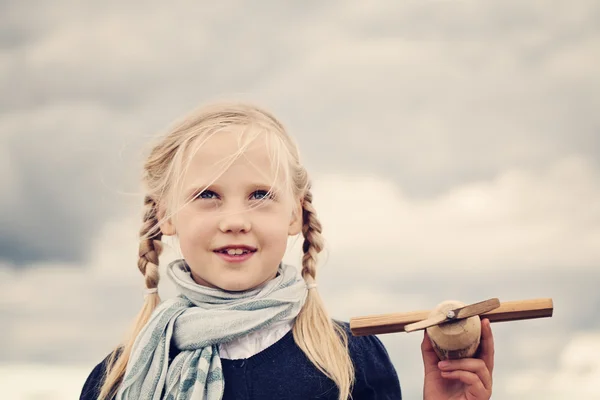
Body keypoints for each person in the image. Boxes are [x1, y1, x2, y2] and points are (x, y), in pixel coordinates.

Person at [79, 102, 494, 400]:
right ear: (167, 216)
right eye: (208, 195)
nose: (235, 219)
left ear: (295, 215)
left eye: (260, 194)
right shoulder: (120, 378)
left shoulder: (348, 358)